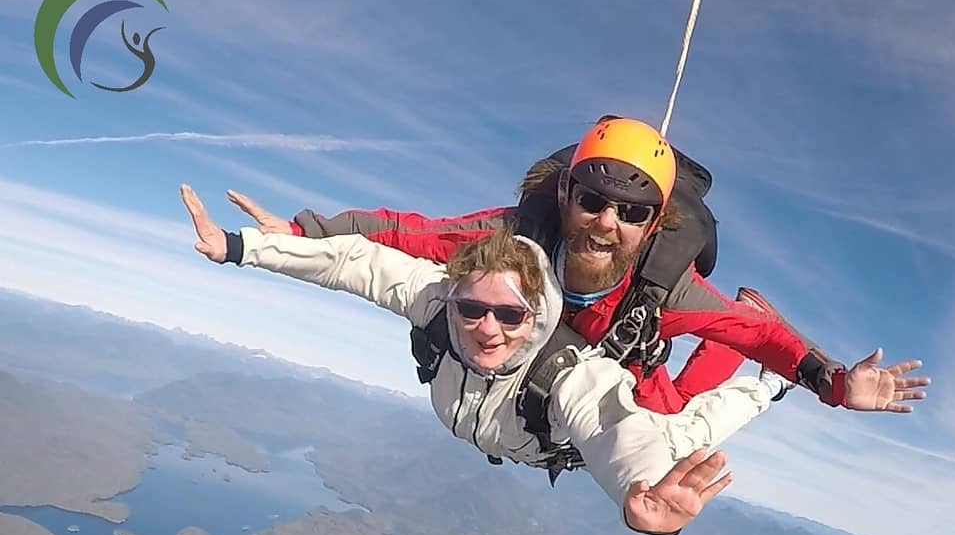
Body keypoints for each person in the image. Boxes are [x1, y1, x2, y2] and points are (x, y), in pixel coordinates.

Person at [180, 186, 928, 535]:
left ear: (536, 317)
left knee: (685, 425)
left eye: (510, 316)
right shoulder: (438, 297)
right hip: (519, 421)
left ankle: (764, 388)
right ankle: (750, 374)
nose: (487, 329)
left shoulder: (566, 371)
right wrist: (251, 246)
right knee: (672, 413)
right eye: (473, 309)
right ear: (454, 292)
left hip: (572, 423)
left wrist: (641, 490)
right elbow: (364, 257)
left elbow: (611, 426)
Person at [226, 116, 864, 414]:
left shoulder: (666, 291)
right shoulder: (511, 240)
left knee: (672, 407)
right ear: (565, 195)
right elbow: (407, 232)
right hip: (573, 340)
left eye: (631, 213)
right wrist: (303, 232)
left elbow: (763, 338)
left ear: (653, 224)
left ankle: (719, 341)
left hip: (629, 349)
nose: (606, 223)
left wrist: (832, 383)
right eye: (593, 201)